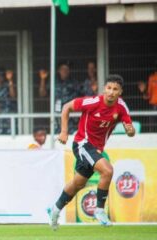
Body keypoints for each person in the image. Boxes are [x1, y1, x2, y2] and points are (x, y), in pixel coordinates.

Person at [48, 75, 135, 230]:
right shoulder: (93, 102)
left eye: (115, 89)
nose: (111, 92)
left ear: (120, 92)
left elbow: (130, 130)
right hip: (82, 143)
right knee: (107, 170)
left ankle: (54, 210)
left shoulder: (121, 107)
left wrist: (131, 131)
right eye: (109, 88)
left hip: (96, 149)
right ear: (104, 89)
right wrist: (63, 131)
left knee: (78, 183)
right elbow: (67, 107)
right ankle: (100, 210)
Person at [39, 61, 81, 134]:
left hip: (71, 117)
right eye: (62, 69)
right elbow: (42, 94)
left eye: (67, 69)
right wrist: (43, 79)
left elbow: (81, 97)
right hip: (57, 116)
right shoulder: (53, 82)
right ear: (59, 71)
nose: (65, 71)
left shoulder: (74, 83)